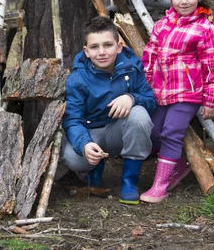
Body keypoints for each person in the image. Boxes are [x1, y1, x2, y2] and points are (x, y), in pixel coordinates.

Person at [140, 0, 214, 204]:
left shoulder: (206, 29)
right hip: (160, 92)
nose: (184, 1)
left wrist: (211, 100)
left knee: (171, 132)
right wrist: (147, 84)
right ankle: (177, 164)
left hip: (187, 93)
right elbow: (150, 55)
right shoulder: (162, 25)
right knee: (152, 130)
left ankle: (160, 186)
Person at [60, 16, 157, 205]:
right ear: (86, 51)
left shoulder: (132, 67)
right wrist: (85, 144)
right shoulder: (77, 78)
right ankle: (94, 168)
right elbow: (72, 119)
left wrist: (131, 98)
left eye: (108, 45)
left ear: (119, 47)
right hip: (91, 133)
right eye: (95, 47)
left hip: (119, 132)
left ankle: (129, 181)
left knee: (139, 115)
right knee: (73, 157)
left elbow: (151, 100)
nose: (102, 52)